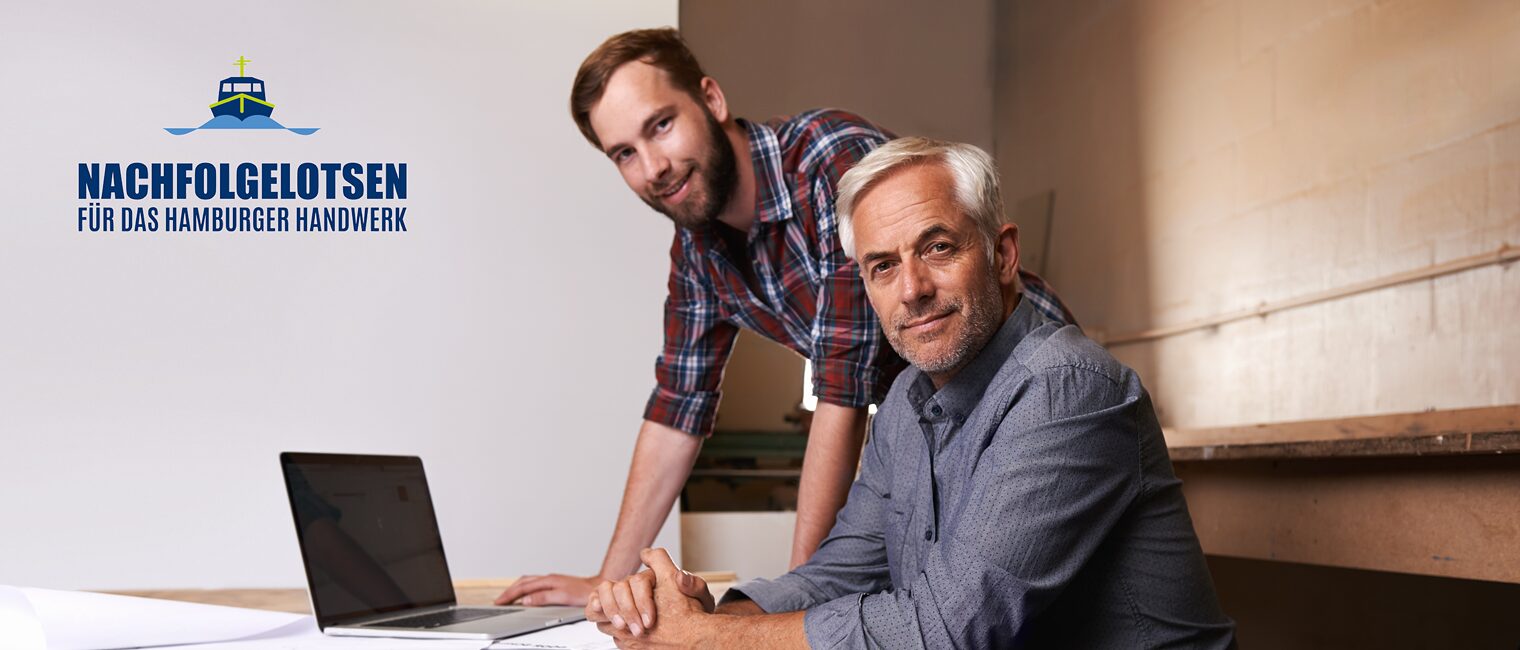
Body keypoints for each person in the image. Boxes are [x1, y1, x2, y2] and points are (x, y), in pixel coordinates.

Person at [497, 29, 1077, 609]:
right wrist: (608, 584)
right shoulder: (697, 250)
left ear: (711, 100)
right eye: (624, 153)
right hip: (932, 417)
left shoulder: (831, 162)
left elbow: (841, 390)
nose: (654, 167)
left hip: (1020, 386)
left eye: (662, 125)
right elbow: (677, 409)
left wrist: (790, 612)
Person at [585, 138, 1237, 648]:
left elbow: (948, 630)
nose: (913, 289)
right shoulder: (904, 405)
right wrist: (701, 615)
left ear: (1003, 254)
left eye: (939, 247)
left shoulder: (1067, 390)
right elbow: (840, 575)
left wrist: (707, 641)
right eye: (883, 266)